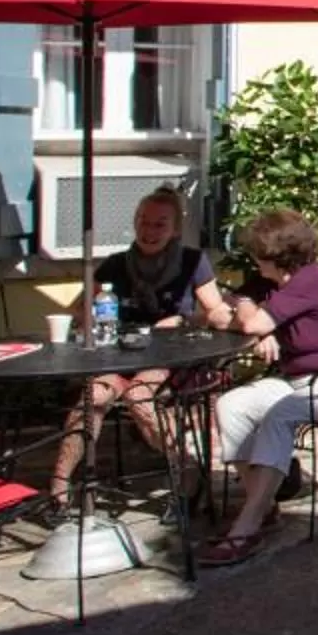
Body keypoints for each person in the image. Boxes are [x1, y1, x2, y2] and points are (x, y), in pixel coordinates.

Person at [198, 209, 318, 566]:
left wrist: (251, 320)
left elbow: (248, 323)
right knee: (232, 404)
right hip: (302, 381)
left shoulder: (313, 279)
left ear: (274, 256)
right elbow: (234, 306)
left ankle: (246, 528)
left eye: (256, 254)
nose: (253, 261)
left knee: (280, 415)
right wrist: (248, 312)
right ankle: (263, 506)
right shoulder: (277, 282)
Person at [46, 186, 230, 505]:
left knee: (138, 396)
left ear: (174, 230)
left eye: (160, 224)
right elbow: (78, 310)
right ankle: (59, 488)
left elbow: (215, 311)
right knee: (93, 397)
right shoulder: (115, 265)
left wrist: (185, 320)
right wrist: (90, 318)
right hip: (119, 356)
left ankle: (187, 470)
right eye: (144, 222)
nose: (150, 230)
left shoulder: (192, 261)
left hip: (169, 358)